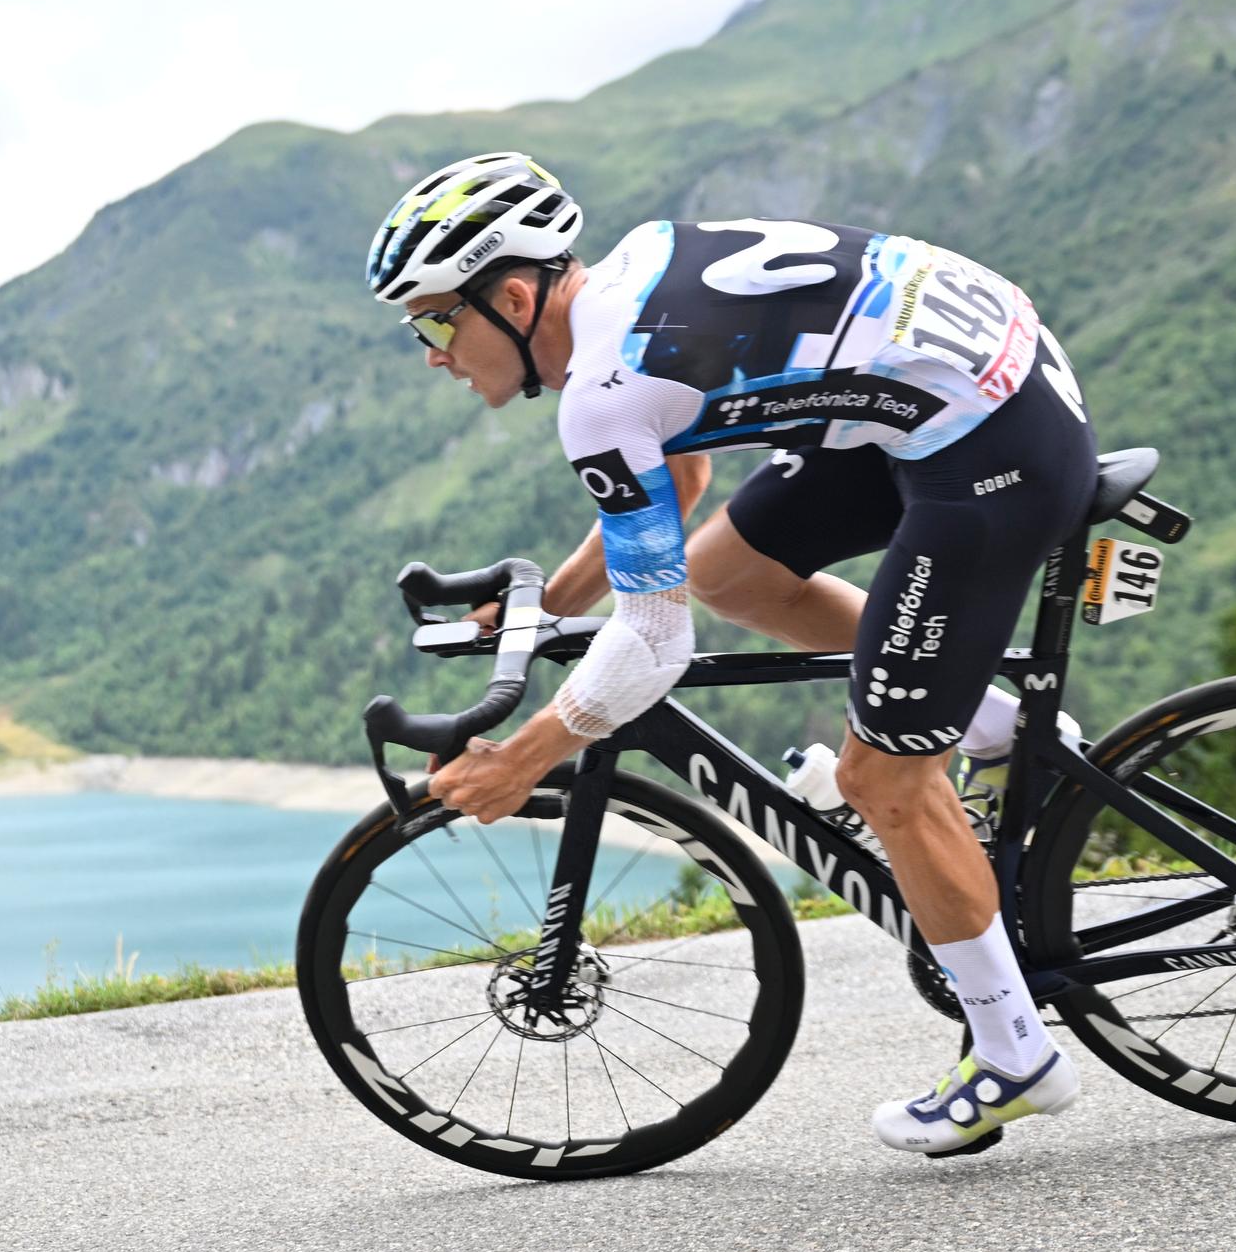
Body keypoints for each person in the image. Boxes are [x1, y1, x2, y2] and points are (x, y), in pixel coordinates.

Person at [367, 152, 1098, 1155]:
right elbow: (681, 469)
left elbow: (655, 644)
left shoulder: (601, 393)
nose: (433, 353)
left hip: (989, 448)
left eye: (436, 320)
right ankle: (998, 728)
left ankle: (1016, 1052)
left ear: (515, 295)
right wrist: (541, 604)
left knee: (880, 777)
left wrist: (524, 755)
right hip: (960, 388)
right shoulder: (630, 280)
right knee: (729, 571)